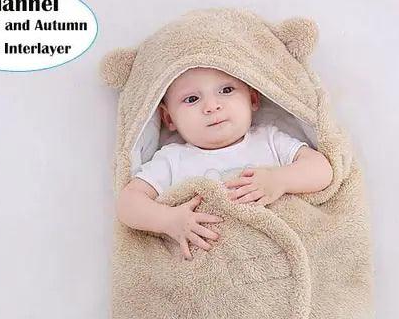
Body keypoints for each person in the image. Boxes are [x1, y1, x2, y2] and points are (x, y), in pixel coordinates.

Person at [115, 66, 333, 260]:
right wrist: (168, 220)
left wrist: (279, 180)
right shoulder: (172, 159)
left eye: (226, 90)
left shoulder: (269, 140)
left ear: (253, 99)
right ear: (169, 118)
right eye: (192, 99)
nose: (212, 106)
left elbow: (322, 169)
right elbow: (127, 203)